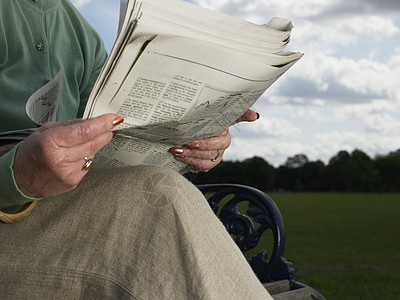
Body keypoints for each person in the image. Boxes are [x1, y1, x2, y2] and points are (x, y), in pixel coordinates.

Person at [0, 0, 272, 299]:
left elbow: (115, 140)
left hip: (68, 221)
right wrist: (16, 176)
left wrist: (192, 141)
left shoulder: (83, 35)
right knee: (160, 197)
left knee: (158, 196)